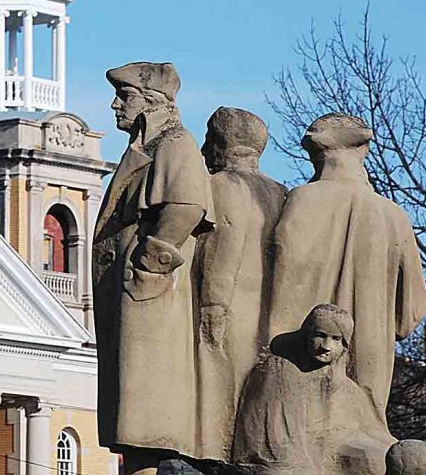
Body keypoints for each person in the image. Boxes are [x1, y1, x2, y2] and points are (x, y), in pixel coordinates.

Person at [92, 62, 215, 473]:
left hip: (150, 300)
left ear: (151, 102)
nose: (114, 106)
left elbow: (186, 205)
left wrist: (149, 266)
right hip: (137, 299)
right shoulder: (146, 148)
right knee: (133, 421)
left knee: (148, 417)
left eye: (124, 97)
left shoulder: (175, 144)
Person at [267, 114, 426, 417]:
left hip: (291, 367)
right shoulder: (393, 216)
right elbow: (411, 314)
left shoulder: (299, 200)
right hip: (368, 367)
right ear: (361, 153)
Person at [192, 107, 287, 462]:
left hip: (226, 307)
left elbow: (223, 248)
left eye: (208, 139)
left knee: (220, 390)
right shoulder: (280, 192)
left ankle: (217, 455)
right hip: (270, 312)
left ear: (220, 143)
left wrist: (212, 305)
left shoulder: (219, 186)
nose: (203, 151)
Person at [234, 305, 395, 475]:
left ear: (345, 345)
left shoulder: (350, 390)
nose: (326, 346)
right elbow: (273, 443)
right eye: (320, 335)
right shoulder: (279, 370)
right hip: (287, 463)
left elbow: (375, 434)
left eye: (336, 339)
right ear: (306, 335)